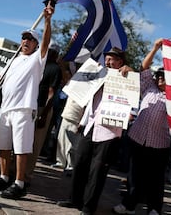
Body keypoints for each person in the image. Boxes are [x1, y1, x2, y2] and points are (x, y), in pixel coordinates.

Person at [0, 3, 54, 199]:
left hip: (23, 109)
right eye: (24, 38)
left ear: (36, 45)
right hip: (6, 109)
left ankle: (19, 183)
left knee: (21, 149)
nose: (26, 41)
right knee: (3, 145)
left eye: (30, 39)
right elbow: (0, 77)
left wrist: (47, 20)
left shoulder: (37, 60)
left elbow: (46, 42)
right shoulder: (13, 58)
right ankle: (4, 177)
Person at [57, 47, 132, 215]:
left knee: (97, 172)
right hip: (90, 126)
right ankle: (74, 200)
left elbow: (136, 88)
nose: (108, 62)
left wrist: (131, 71)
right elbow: (89, 100)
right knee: (80, 164)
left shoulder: (126, 78)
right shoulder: (99, 74)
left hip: (109, 131)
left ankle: (88, 207)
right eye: (107, 58)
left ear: (121, 62)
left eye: (112, 59)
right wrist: (82, 122)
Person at [113, 38, 171, 215]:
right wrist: (154, 48)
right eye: (159, 76)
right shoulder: (149, 88)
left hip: (159, 144)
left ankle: (154, 208)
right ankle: (128, 205)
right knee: (134, 176)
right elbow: (144, 68)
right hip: (137, 138)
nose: (160, 78)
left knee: (155, 179)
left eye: (164, 76)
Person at [25, 42, 62, 184]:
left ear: (55, 54)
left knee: (35, 144)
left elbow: (51, 94)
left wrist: (44, 114)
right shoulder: (36, 64)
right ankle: (14, 170)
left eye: (51, 51)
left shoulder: (55, 69)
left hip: (42, 108)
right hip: (29, 105)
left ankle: (26, 176)